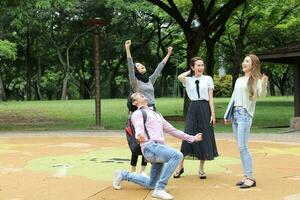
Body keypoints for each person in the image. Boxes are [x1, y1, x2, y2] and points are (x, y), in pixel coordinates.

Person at [113, 92, 203, 200]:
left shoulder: (156, 114)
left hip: (158, 150)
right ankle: (160, 189)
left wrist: (192, 138)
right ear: (134, 102)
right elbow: (138, 128)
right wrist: (139, 135)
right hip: (150, 148)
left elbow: (172, 130)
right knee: (177, 155)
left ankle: (123, 174)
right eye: (136, 94)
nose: (140, 93)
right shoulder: (138, 113)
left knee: (151, 183)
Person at [124, 39, 173, 176]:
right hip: (140, 113)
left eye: (141, 65)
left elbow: (159, 67)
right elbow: (129, 65)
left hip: (152, 111)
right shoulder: (135, 81)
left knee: (150, 140)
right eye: (138, 66)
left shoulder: (150, 80)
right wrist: (127, 48)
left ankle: (143, 170)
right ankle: (133, 170)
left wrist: (168, 53)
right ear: (135, 70)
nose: (141, 66)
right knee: (138, 141)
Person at [224, 54, 268, 189]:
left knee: (243, 147)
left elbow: (261, 95)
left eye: (247, 61)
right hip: (236, 114)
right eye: (244, 61)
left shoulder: (257, 80)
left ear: (253, 65)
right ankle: (246, 175)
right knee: (240, 147)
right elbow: (233, 98)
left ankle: (250, 177)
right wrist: (227, 114)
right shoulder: (239, 80)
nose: (244, 63)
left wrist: (264, 83)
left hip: (245, 115)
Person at [174, 57, 218, 179]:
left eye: (202, 65)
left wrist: (213, 114)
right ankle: (180, 166)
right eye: (198, 65)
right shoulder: (188, 80)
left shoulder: (208, 79)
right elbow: (179, 77)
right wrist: (190, 72)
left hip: (205, 108)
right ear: (193, 67)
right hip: (193, 108)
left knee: (204, 136)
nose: (201, 68)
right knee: (188, 135)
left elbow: (210, 97)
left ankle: (201, 169)